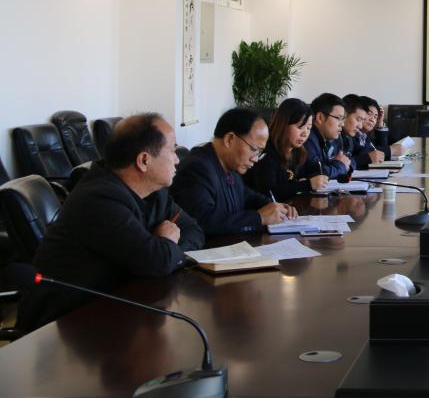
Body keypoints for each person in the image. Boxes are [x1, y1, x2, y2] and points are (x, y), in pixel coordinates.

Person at [18, 114, 204, 331]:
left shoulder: (155, 192)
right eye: (172, 150)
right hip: (64, 326)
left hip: (118, 309)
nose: (177, 159)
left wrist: (167, 251)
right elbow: (157, 262)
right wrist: (167, 245)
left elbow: (193, 230)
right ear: (144, 160)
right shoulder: (98, 200)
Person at [171, 108, 296, 238]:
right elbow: (203, 222)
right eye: (254, 149)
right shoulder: (197, 169)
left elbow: (245, 195)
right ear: (229, 139)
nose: (256, 159)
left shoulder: (229, 164)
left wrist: (274, 206)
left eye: (260, 152)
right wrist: (259, 217)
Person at [244, 98, 328, 200]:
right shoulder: (266, 153)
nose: (305, 133)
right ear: (284, 124)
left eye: (308, 128)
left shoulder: (298, 151)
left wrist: (312, 179)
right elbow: (268, 193)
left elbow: (318, 170)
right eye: (300, 127)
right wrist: (307, 184)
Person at [302, 92, 353, 180]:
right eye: (339, 118)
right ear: (320, 117)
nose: (342, 124)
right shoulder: (308, 139)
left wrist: (341, 164)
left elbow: (346, 159)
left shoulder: (330, 139)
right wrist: (341, 166)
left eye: (343, 119)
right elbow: (319, 173)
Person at [353, 96, 405, 167]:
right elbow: (364, 152)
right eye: (369, 114)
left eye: (375, 117)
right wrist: (391, 150)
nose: (372, 119)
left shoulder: (365, 134)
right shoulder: (352, 134)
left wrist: (380, 124)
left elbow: (377, 149)